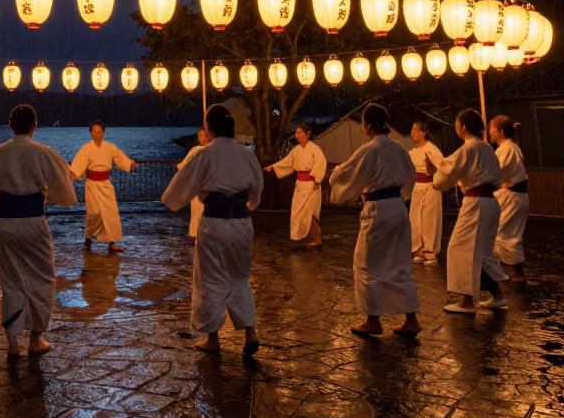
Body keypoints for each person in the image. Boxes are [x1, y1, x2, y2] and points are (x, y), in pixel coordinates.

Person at [0, 105, 78, 357]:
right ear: (34, 124)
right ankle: (35, 338)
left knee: (11, 280)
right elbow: (64, 183)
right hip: (33, 221)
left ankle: (12, 343)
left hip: (7, 222)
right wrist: (49, 194)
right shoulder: (43, 152)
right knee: (42, 278)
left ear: (11, 124)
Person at [161, 104, 263, 355]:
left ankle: (213, 339)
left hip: (215, 224)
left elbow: (179, 189)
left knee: (211, 279)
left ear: (208, 127)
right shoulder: (246, 154)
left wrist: (172, 201)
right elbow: (256, 190)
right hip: (241, 222)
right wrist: (248, 204)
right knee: (240, 277)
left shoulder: (203, 155)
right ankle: (251, 333)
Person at [328, 104, 421, 337]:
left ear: (367, 125)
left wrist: (335, 175)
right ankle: (411, 318)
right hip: (398, 207)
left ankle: (372, 319)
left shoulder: (369, 149)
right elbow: (411, 177)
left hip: (378, 209)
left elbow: (345, 173)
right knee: (400, 261)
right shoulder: (399, 148)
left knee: (367, 263)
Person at [433, 108, 506, 313]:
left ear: (463, 126)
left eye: (457, 123)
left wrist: (436, 182)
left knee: (461, 248)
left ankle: (466, 301)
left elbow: (446, 172)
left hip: (476, 204)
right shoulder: (487, 148)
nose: (456, 127)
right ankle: (497, 295)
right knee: (482, 251)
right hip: (491, 202)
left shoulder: (468, 148)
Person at [70, 121, 136, 252]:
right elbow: (79, 164)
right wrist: (74, 172)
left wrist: (129, 164)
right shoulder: (86, 148)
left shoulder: (110, 147)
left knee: (111, 212)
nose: (96, 134)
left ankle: (111, 242)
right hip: (92, 185)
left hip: (106, 185)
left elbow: (119, 158)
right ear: (90, 133)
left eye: (99, 131)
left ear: (103, 133)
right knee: (94, 213)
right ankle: (88, 238)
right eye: (94, 132)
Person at [264, 121, 326, 249]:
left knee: (308, 213)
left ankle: (317, 237)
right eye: (296, 133)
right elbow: (287, 162)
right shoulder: (296, 150)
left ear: (307, 134)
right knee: (298, 213)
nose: (296, 135)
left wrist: (316, 179)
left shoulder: (315, 149)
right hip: (300, 185)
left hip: (311, 184)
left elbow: (321, 163)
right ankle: (315, 237)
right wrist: (274, 167)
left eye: (299, 132)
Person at [490, 115, 529, 283]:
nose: (489, 131)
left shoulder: (508, 149)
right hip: (511, 195)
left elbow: (498, 172)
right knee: (502, 233)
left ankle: (516, 271)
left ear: (499, 131)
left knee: (504, 233)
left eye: (491, 127)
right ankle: (504, 270)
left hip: (511, 196)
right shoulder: (506, 148)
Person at [408, 119, 445, 266]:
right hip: (417, 188)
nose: (412, 133)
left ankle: (430, 252)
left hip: (430, 187)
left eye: (415, 130)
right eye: (412, 130)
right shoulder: (413, 152)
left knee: (429, 220)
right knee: (416, 220)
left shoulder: (432, 149)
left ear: (424, 132)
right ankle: (419, 250)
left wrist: (433, 171)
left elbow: (443, 168)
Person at [175, 127, 211, 237]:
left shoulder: (214, 149)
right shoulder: (195, 150)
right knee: (197, 210)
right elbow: (184, 165)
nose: (203, 138)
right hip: (197, 184)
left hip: (210, 183)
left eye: (205, 135)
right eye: (200, 136)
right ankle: (196, 233)